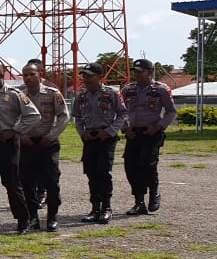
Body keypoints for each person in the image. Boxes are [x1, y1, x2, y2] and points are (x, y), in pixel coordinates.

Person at [0, 63, 41, 238]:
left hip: (7, 145)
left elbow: (33, 116)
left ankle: (23, 220)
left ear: (1, 78)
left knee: (12, 184)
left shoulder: (14, 95)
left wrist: (15, 130)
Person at [73, 63, 128, 224]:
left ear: (99, 77)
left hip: (106, 137)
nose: (86, 79)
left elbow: (123, 114)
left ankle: (106, 208)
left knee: (103, 172)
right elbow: (76, 117)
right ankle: (95, 208)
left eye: (90, 76)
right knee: (91, 173)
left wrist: (110, 131)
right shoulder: (81, 95)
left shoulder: (111, 93)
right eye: (84, 76)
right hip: (90, 137)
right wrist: (82, 132)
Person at [121, 58, 177, 215]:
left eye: (140, 72)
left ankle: (154, 194)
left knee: (147, 164)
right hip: (133, 133)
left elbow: (171, 111)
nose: (136, 75)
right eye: (135, 72)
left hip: (152, 132)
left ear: (150, 72)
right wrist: (125, 128)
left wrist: (158, 127)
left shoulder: (160, 89)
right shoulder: (128, 90)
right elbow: (120, 112)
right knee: (131, 166)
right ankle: (139, 202)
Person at [18, 62, 69, 231]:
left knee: (51, 181)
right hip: (26, 143)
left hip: (47, 143)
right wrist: (21, 135)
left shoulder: (52, 93)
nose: (29, 78)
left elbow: (63, 116)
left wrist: (51, 136)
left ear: (40, 74)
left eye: (32, 74)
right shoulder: (18, 94)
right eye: (25, 75)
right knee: (27, 182)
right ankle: (32, 217)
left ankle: (52, 217)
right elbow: (11, 116)